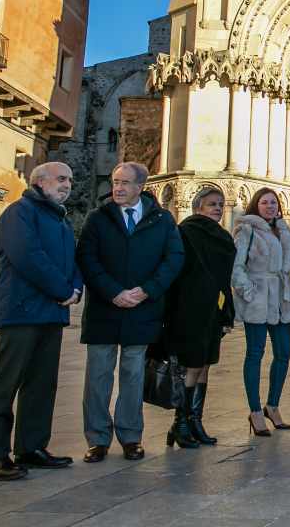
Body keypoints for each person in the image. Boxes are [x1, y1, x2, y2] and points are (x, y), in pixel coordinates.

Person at [0, 162, 83, 481]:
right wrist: (63, 289)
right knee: (6, 384)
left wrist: (76, 288)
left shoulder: (60, 220)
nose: (67, 185)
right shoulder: (19, 213)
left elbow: (72, 260)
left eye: (70, 180)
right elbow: (28, 258)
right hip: (21, 313)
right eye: (61, 179)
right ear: (39, 181)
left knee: (41, 384)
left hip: (51, 313)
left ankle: (31, 447)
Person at [76, 161, 184, 463]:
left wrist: (147, 290)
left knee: (134, 374)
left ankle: (131, 436)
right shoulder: (98, 218)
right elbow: (86, 257)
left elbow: (174, 259)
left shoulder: (162, 220)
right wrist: (113, 292)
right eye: (115, 181)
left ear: (140, 187)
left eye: (125, 183)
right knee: (97, 376)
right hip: (104, 308)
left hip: (142, 308)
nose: (118, 188)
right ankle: (97, 438)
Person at [164, 186, 237, 449]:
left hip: (212, 310)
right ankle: (180, 423)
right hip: (189, 308)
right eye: (211, 204)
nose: (217, 208)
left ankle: (195, 421)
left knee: (205, 363)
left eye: (220, 204)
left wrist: (226, 310)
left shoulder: (223, 237)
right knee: (192, 364)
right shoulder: (186, 232)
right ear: (197, 208)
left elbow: (223, 278)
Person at [232, 187, 290, 437]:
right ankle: (255, 411)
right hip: (258, 300)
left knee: (283, 353)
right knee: (255, 354)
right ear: (255, 205)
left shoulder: (283, 230)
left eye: (273, 202)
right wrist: (248, 293)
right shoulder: (246, 229)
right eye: (265, 202)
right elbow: (237, 267)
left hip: (280, 300)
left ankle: (273, 406)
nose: (270, 206)